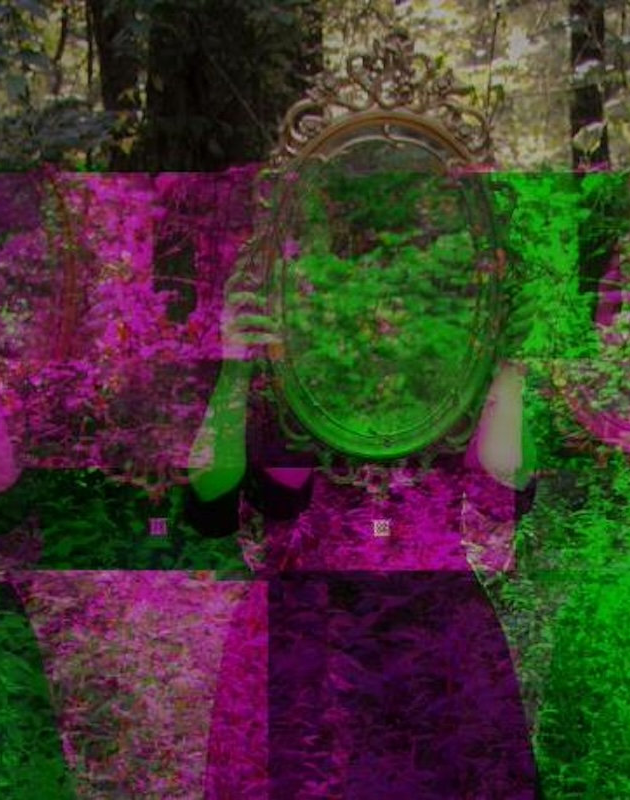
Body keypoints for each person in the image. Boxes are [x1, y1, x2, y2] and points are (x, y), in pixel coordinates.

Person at [187, 270, 542, 797]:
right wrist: (235, 365)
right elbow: (209, 496)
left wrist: (510, 365)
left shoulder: (450, 382)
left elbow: (505, 485)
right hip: (306, 650)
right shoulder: (283, 380)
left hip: (435, 647)